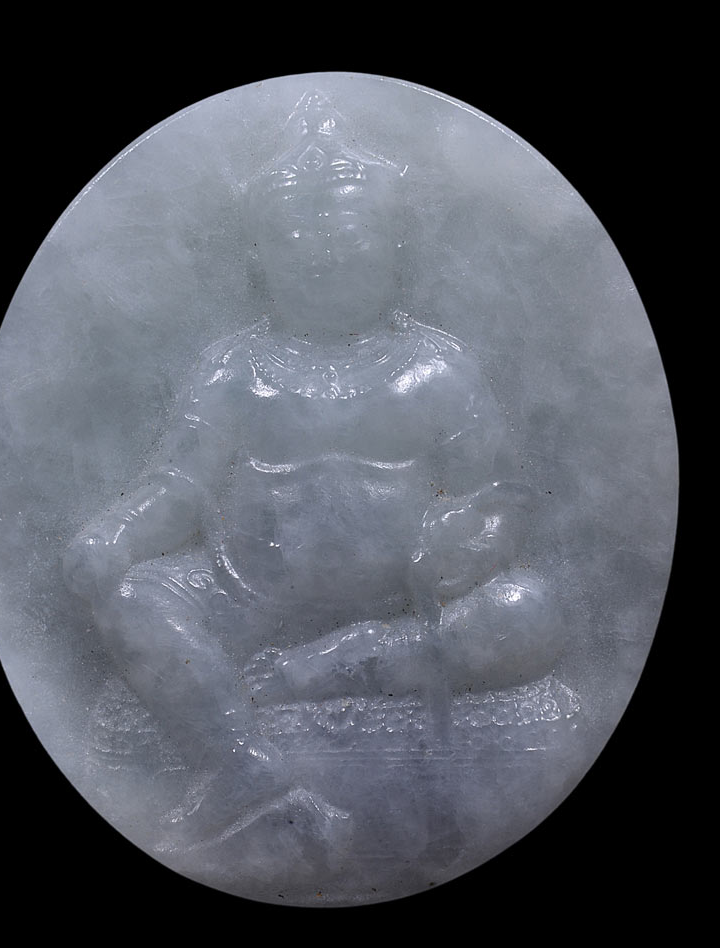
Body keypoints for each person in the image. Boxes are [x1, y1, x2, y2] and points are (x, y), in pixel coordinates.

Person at [63, 92, 561, 843]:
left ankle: (349, 661)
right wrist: (117, 533)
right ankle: (244, 769)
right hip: (246, 598)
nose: (327, 258)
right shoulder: (235, 369)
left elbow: (500, 495)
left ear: (394, 249)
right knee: (135, 597)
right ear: (261, 258)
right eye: (300, 242)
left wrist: (474, 539)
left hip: (402, 604)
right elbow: (177, 489)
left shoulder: (436, 369)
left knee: (529, 606)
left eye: (352, 239)